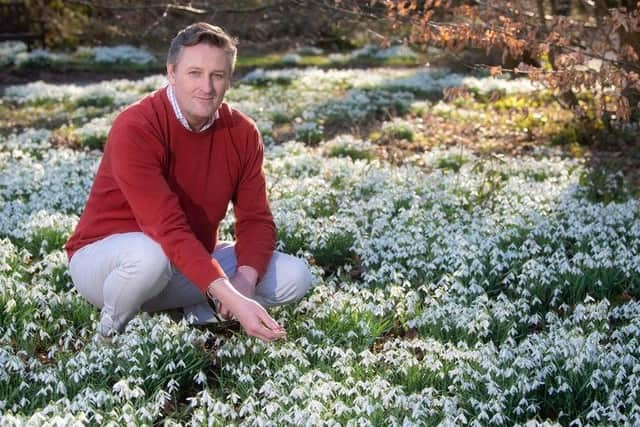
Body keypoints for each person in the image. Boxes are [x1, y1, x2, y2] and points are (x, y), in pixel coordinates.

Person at [65, 22, 312, 343]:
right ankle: (109, 337)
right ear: (172, 72)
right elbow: (165, 226)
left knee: (295, 276)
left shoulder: (242, 133)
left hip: (186, 258)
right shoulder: (137, 125)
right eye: (194, 73)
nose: (206, 87)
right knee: (149, 256)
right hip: (106, 262)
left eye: (217, 75)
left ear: (229, 79)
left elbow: (257, 220)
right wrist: (233, 297)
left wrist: (245, 283)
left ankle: (191, 315)